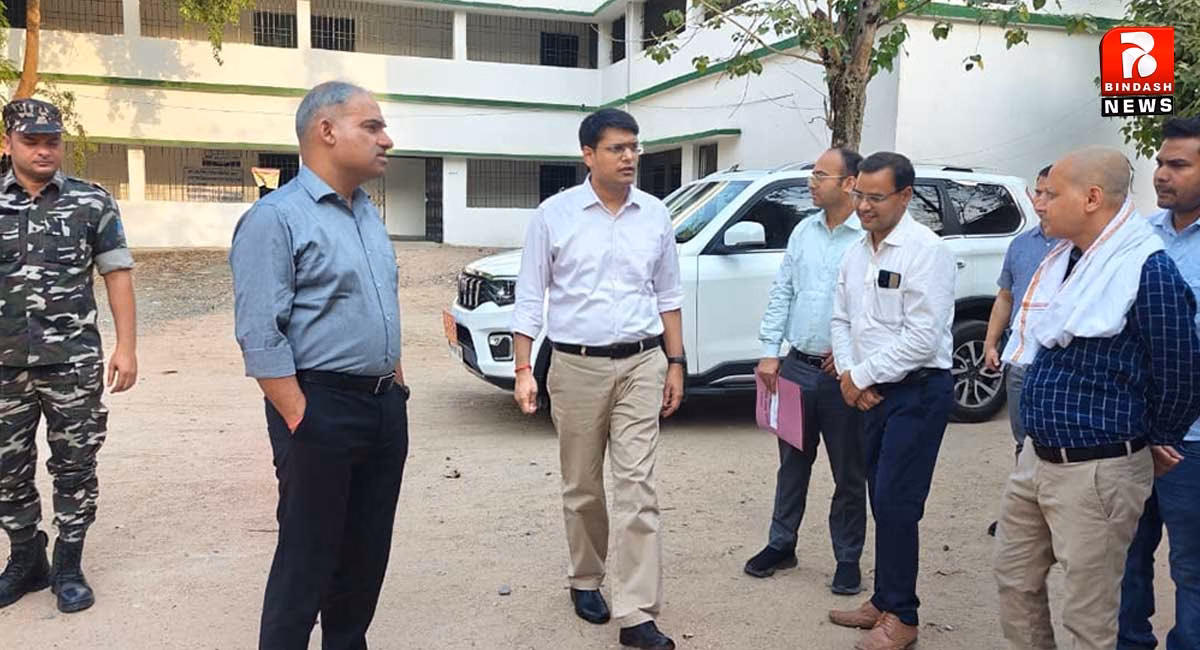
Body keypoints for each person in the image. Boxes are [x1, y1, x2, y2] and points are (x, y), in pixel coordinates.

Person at [993, 146, 1200, 650]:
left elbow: (1181, 373)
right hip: (1036, 457)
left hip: (1097, 468)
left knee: (1089, 616)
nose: (1040, 203)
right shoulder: (1066, 261)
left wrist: (1156, 439)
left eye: (1051, 193)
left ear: (1090, 198)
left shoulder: (1146, 271)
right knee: (1014, 581)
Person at [230, 81, 409, 650]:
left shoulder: (367, 213)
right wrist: (300, 417)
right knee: (307, 558)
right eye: (372, 127)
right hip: (319, 407)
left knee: (365, 555)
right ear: (326, 131)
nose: (386, 139)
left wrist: (397, 386)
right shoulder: (275, 218)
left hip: (383, 407)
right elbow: (260, 333)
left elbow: (381, 304)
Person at [512, 107, 684, 650]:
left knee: (638, 487)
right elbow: (530, 295)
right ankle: (586, 578)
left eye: (635, 147)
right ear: (588, 155)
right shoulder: (554, 215)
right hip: (575, 365)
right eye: (617, 148)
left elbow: (668, 294)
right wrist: (523, 369)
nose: (630, 157)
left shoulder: (655, 215)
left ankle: (637, 614)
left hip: (642, 362)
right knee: (583, 485)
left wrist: (676, 362)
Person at [0, 98, 138, 614]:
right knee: (5, 468)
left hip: (72, 362)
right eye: (31, 141)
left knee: (75, 466)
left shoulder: (91, 202)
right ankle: (26, 557)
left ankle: (68, 564)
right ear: (8, 143)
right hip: (3, 365)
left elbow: (116, 273)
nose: (43, 150)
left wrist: (126, 346)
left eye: (51, 141)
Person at [827, 151, 956, 650]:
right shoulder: (856, 252)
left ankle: (902, 615)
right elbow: (842, 319)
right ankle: (882, 599)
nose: (863, 206)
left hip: (918, 392)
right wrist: (850, 375)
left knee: (899, 503)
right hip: (870, 391)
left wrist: (859, 376)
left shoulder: (926, 251)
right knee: (880, 496)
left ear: (905, 196)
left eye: (876, 197)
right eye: (859, 194)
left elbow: (923, 338)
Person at [744, 147, 868, 596]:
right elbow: (783, 291)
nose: (811, 182)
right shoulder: (803, 231)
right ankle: (782, 544)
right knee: (792, 463)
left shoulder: (867, 237)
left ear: (849, 183)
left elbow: (878, 306)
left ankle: (848, 558)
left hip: (841, 376)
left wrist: (853, 353)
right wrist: (770, 351)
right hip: (797, 366)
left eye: (820, 175)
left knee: (848, 471)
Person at [1118, 117, 1200, 650]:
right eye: (1160, 162)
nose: (1161, 174)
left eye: (1178, 165)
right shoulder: (1138, 238)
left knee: (1192, 565)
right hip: (1129, 432)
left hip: (1191, 441)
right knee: (1125, 554)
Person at [982, 165, 1059, 537]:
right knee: (1022, 440)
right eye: (1038, 192)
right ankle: (1022, 515)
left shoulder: (1080, 246)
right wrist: (991, 341)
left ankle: (1055, 518)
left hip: (1058, 360)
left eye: (1049, 193)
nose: (1040, 201)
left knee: (1056, 441)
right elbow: (1005, 296)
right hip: (1020, 358)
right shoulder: (1020, 245)